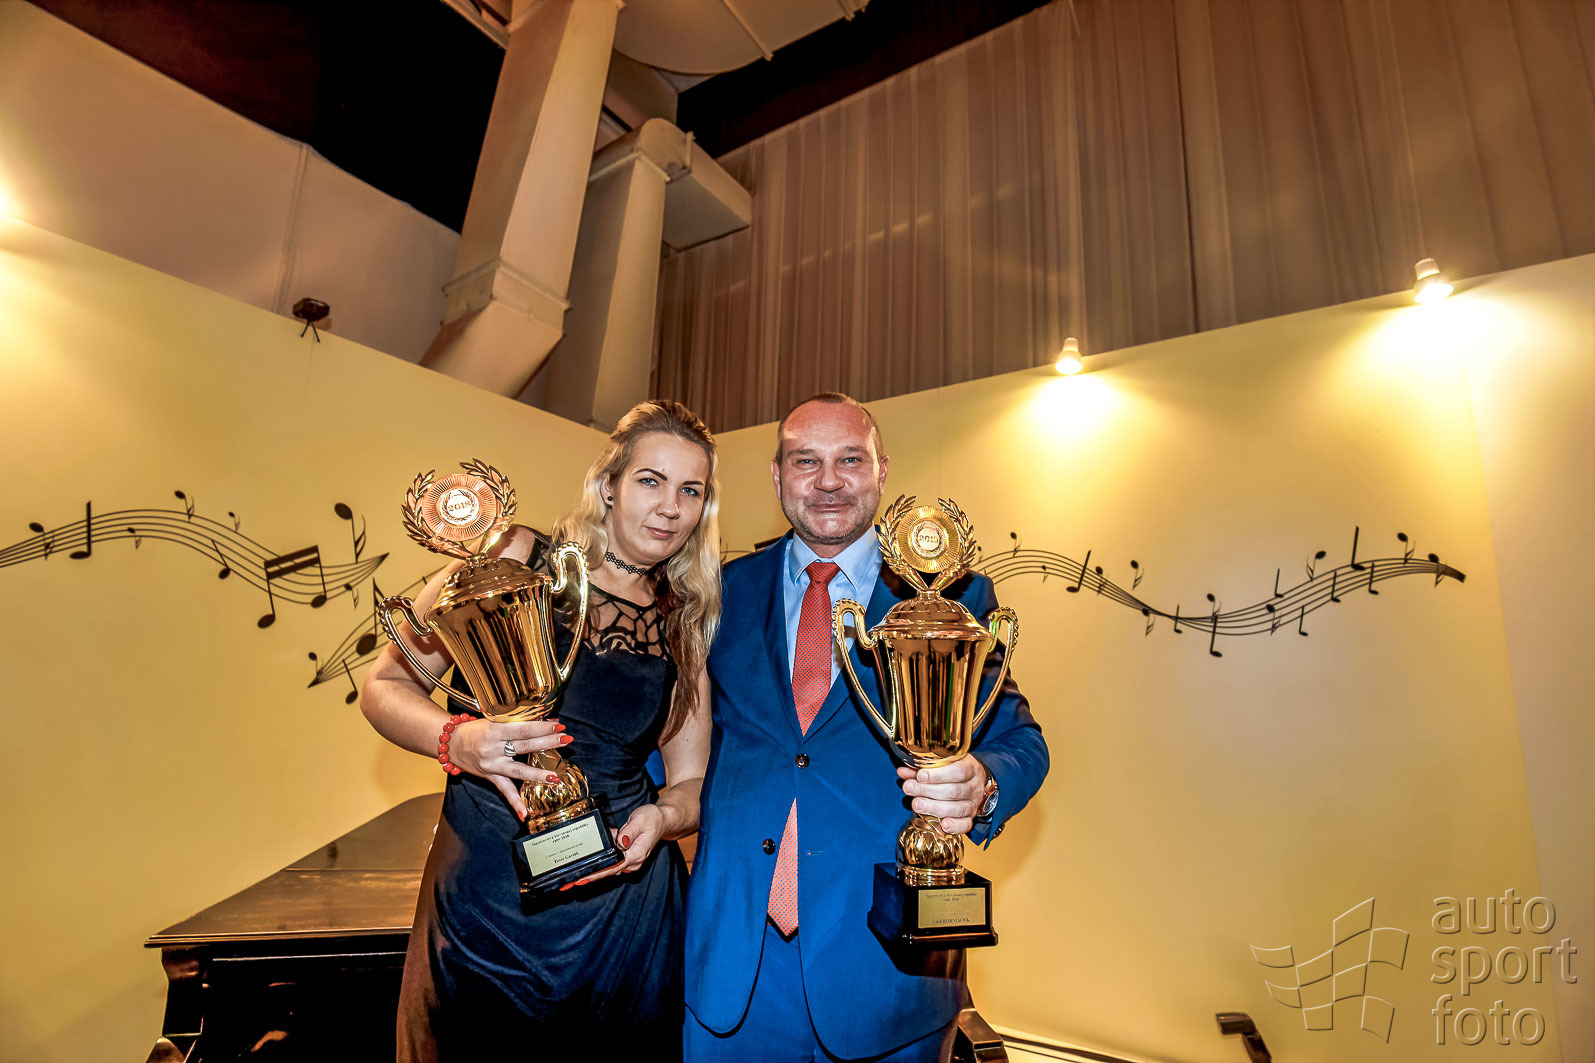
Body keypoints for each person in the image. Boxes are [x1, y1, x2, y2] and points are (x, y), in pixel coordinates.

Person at [684, 393, 1049, 1061]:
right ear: (777, 476)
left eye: (850, 459)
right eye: (806, 461)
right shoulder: (720, 590)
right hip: (734, 968)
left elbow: (1020, 741)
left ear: (882, 470)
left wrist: (982, 784)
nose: (828, 481)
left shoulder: (954, 595)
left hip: (886, 973)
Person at [360, 400, 722, 1062]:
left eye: (690, 490)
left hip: (624, 912)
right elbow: (383, 685)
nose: (670, 507)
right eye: (650, 480)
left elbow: (692, 779)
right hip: (487, 905)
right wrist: (456, 740)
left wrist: (664, 817)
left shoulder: (683, 621)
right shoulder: (515, 554)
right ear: (608, 484)